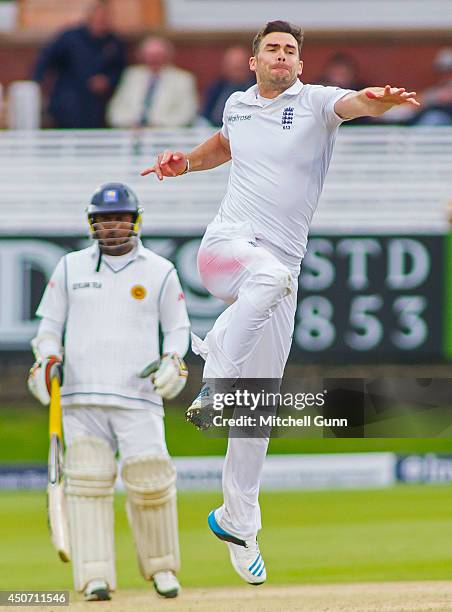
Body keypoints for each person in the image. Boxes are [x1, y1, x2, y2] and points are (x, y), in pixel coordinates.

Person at [141, 20, 419, 586]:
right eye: (273, 49)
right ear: (254, 61)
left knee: (258, 405)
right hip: (227, 251)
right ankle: (216, 364)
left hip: (278, 279)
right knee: (267, 280)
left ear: (299, 62)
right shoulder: (237, 105)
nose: (283, 57)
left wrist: (379, 101)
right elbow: (223, 145)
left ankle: (238, 522)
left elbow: (356, 104)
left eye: (291, 50)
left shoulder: (315, 103)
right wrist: (183, 163)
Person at [27, 183, 190, 601]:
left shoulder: (160, 270)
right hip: (81, 396)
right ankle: (94, 576)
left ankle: (162, 570)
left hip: (138, 394)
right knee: (87, 480)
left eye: (119, 218)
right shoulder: (69, 268)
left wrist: (174, 361)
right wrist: (48, 358)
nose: (112, 226)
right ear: (91, 223)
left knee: (151, 480)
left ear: (135, 221)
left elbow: (178, 329)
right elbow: (48, 330)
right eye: (103, 219)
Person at [32, 0, 125, 128]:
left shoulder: (113, 42)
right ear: (89, 17)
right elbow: (45, 60)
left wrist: (107, 80)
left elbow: (119, 70)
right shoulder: (69, 37)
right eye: (98, 17)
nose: (101, 21)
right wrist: (37, 85)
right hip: (67, 101)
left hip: (96, 107)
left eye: (105, 18)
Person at [107, 36, 198, 128]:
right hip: (131, 134)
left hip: (167, 137)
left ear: (167, 56)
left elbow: (187, 114)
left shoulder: (182, 79)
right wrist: (130, 123)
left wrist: (156, 124)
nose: (153, 59)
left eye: (158, 55)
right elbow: (115, 110)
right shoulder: (131, 75)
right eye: (149, 55)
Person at [202, 46, 255, 127]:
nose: (236, 69)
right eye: (232, 65)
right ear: (225, 66)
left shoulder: (259, 88)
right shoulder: (216, 87)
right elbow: (206, 114)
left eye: (240, 65)